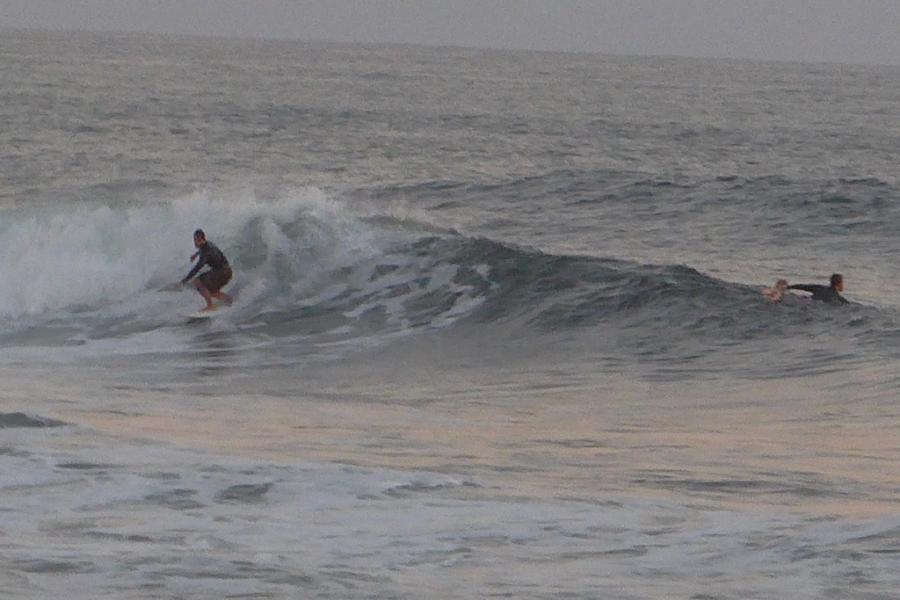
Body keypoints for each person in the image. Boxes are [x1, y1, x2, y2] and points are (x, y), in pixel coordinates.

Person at [182, 229, 233, 312]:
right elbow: (202, 249)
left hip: (222, 273)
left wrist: (184, 281)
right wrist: (195, 255)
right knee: (211, 291)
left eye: (196, 240)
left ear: (201, 239)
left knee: (197, 282)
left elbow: (197, 267)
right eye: (194, 240)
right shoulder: (207, 244)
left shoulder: (206, 253)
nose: (194, 242)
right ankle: (228, 300)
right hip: (226, 272)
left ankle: (210, 306)